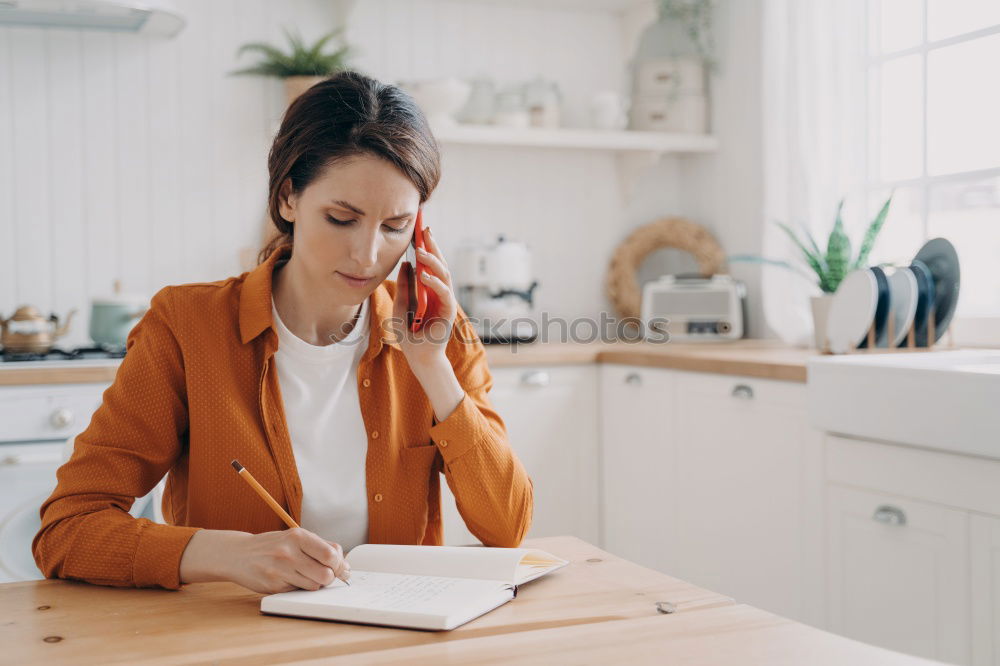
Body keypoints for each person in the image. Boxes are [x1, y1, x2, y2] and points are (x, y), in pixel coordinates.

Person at [32, 70, 533, 594]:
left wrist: (431, 367)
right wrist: (228, 554)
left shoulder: (440, 335)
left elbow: (507, 527)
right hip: (235, 635)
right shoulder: (187, 326)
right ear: (289, 198)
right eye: (342, 218)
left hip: (396, 639)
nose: (367, 256)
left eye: (394, 227)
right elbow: (67, 530)